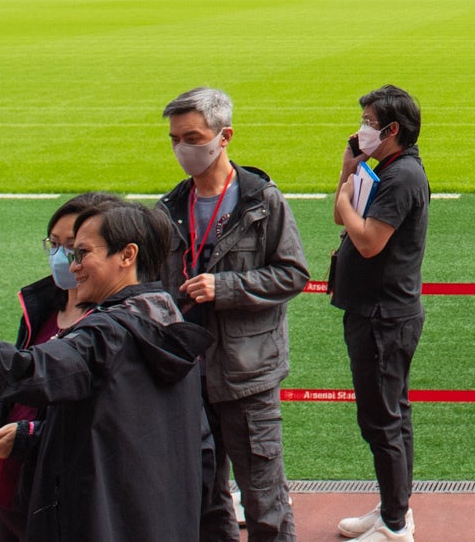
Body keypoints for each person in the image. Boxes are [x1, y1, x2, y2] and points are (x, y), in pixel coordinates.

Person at [0, 201, 214, 542]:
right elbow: (199, 450)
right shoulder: (168, 321)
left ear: (127, 255)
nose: (72, 266)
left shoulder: (107, 334)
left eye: (81, 253)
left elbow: (28, 373)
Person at [156, 87, 310, 542]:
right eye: (174, 139)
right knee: (205, 499)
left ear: (225, 137)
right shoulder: (167, 209)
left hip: (247, 377)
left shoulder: (262, 201)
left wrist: (223, 288)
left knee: (265, 500)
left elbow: (293, 273)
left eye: (192, 136)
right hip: (187, 375)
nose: (183, 148)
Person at [0, 191, 126, 542]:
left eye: (74, 248)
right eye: (53, 244)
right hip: (13, 481)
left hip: (66, 493)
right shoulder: (41, 308)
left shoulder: (111, 326)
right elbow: (21, 373)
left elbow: (104, 424)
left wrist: (29, 437)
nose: (62, 258)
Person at [330, 85, 431, 542]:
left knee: (382, 420)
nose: (361, 129)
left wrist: (345, 200)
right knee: (391, 415)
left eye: (369, 122)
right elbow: (343, 221)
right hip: (375, 313)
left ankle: (395, 526)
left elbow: (368, 240)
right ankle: (395, 510)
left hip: (383, 317)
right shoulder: (381, 168)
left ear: (392, 130)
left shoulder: (401, 176)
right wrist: (348, 174)